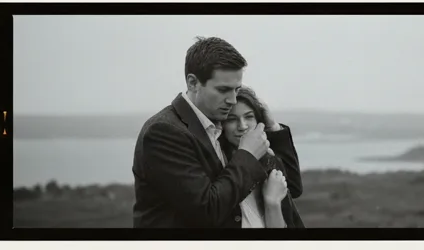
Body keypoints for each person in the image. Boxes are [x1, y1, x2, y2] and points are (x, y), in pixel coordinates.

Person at [131, 36, 298, 228]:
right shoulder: (164, 132)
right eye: (223, 90)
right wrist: (248, 155)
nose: (233, 100)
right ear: (193, 83)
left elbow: (291, 187)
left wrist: (273, 128)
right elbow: (207, 210)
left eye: (236, 90)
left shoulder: (219, 124)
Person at [220, 85, 306, 228]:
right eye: (231, 119)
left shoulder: (267, 159)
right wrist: (272, 201)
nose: (242, 126)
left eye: (249, 117)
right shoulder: (217, 165)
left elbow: (294, 188)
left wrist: (273, 126)